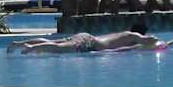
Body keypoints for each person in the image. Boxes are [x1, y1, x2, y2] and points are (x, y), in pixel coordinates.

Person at [15, 23, 159, 54]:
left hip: (86, 37)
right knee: (58, 48)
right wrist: (159, 42)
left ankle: (19, 44)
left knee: (54, 42)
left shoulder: (123, 34)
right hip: (90, 43)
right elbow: (150, 40)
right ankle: (31, 48)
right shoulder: (133, 36)